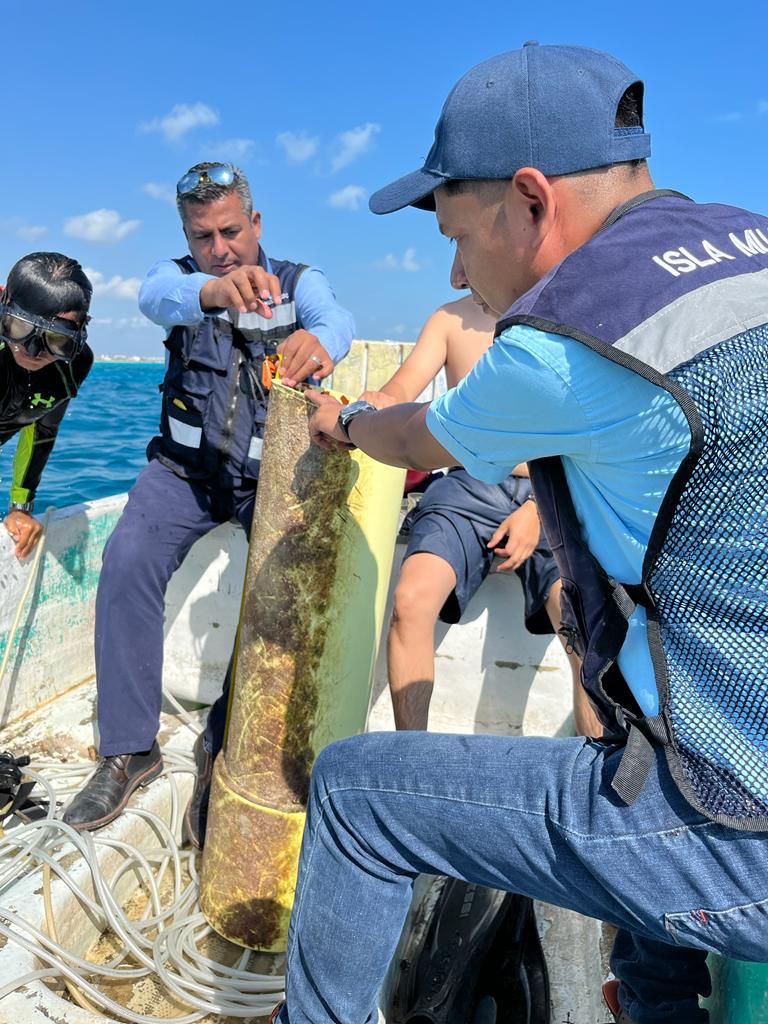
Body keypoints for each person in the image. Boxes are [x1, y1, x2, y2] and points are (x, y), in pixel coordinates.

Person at [272, 44, 768, 1024]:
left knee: (357, 791)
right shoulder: (749, 244)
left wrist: (344, 424)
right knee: (636, 726)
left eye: (458, 234)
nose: (457, 268)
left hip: (737, 830)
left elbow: (416, 431)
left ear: (533, 199)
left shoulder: (563, 342)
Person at [63, 162, 355, 846]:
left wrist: (323, 342)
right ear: (188, 239)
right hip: (184, 473)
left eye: (230, 231)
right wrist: (216, 290)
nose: (220, 247)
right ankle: (131, 749)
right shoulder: (180, 283)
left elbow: (335, 318)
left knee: (278, 594)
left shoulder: (302, 281)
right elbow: (155, 297)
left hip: (271, 480)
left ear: (256, 224)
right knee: (127, 558)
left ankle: (222, 745)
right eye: (203, 238)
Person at [362, 294, 600, 735]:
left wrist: (537, 511)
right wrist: (362, 409)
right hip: (467, 483)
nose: (457, 271)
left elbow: (586, 434)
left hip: (549, 485)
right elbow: (399, 392)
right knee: (409, 602)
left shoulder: (565, 308)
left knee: (580, 627)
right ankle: (411, 767)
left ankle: (593, 783)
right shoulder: (451, 319)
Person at [1, 252, 93, 560]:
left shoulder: (74, 366)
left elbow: (41, 429)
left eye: (57, 339)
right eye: (19, 328)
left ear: (82, 331)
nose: (33, 351)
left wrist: (20, 507)